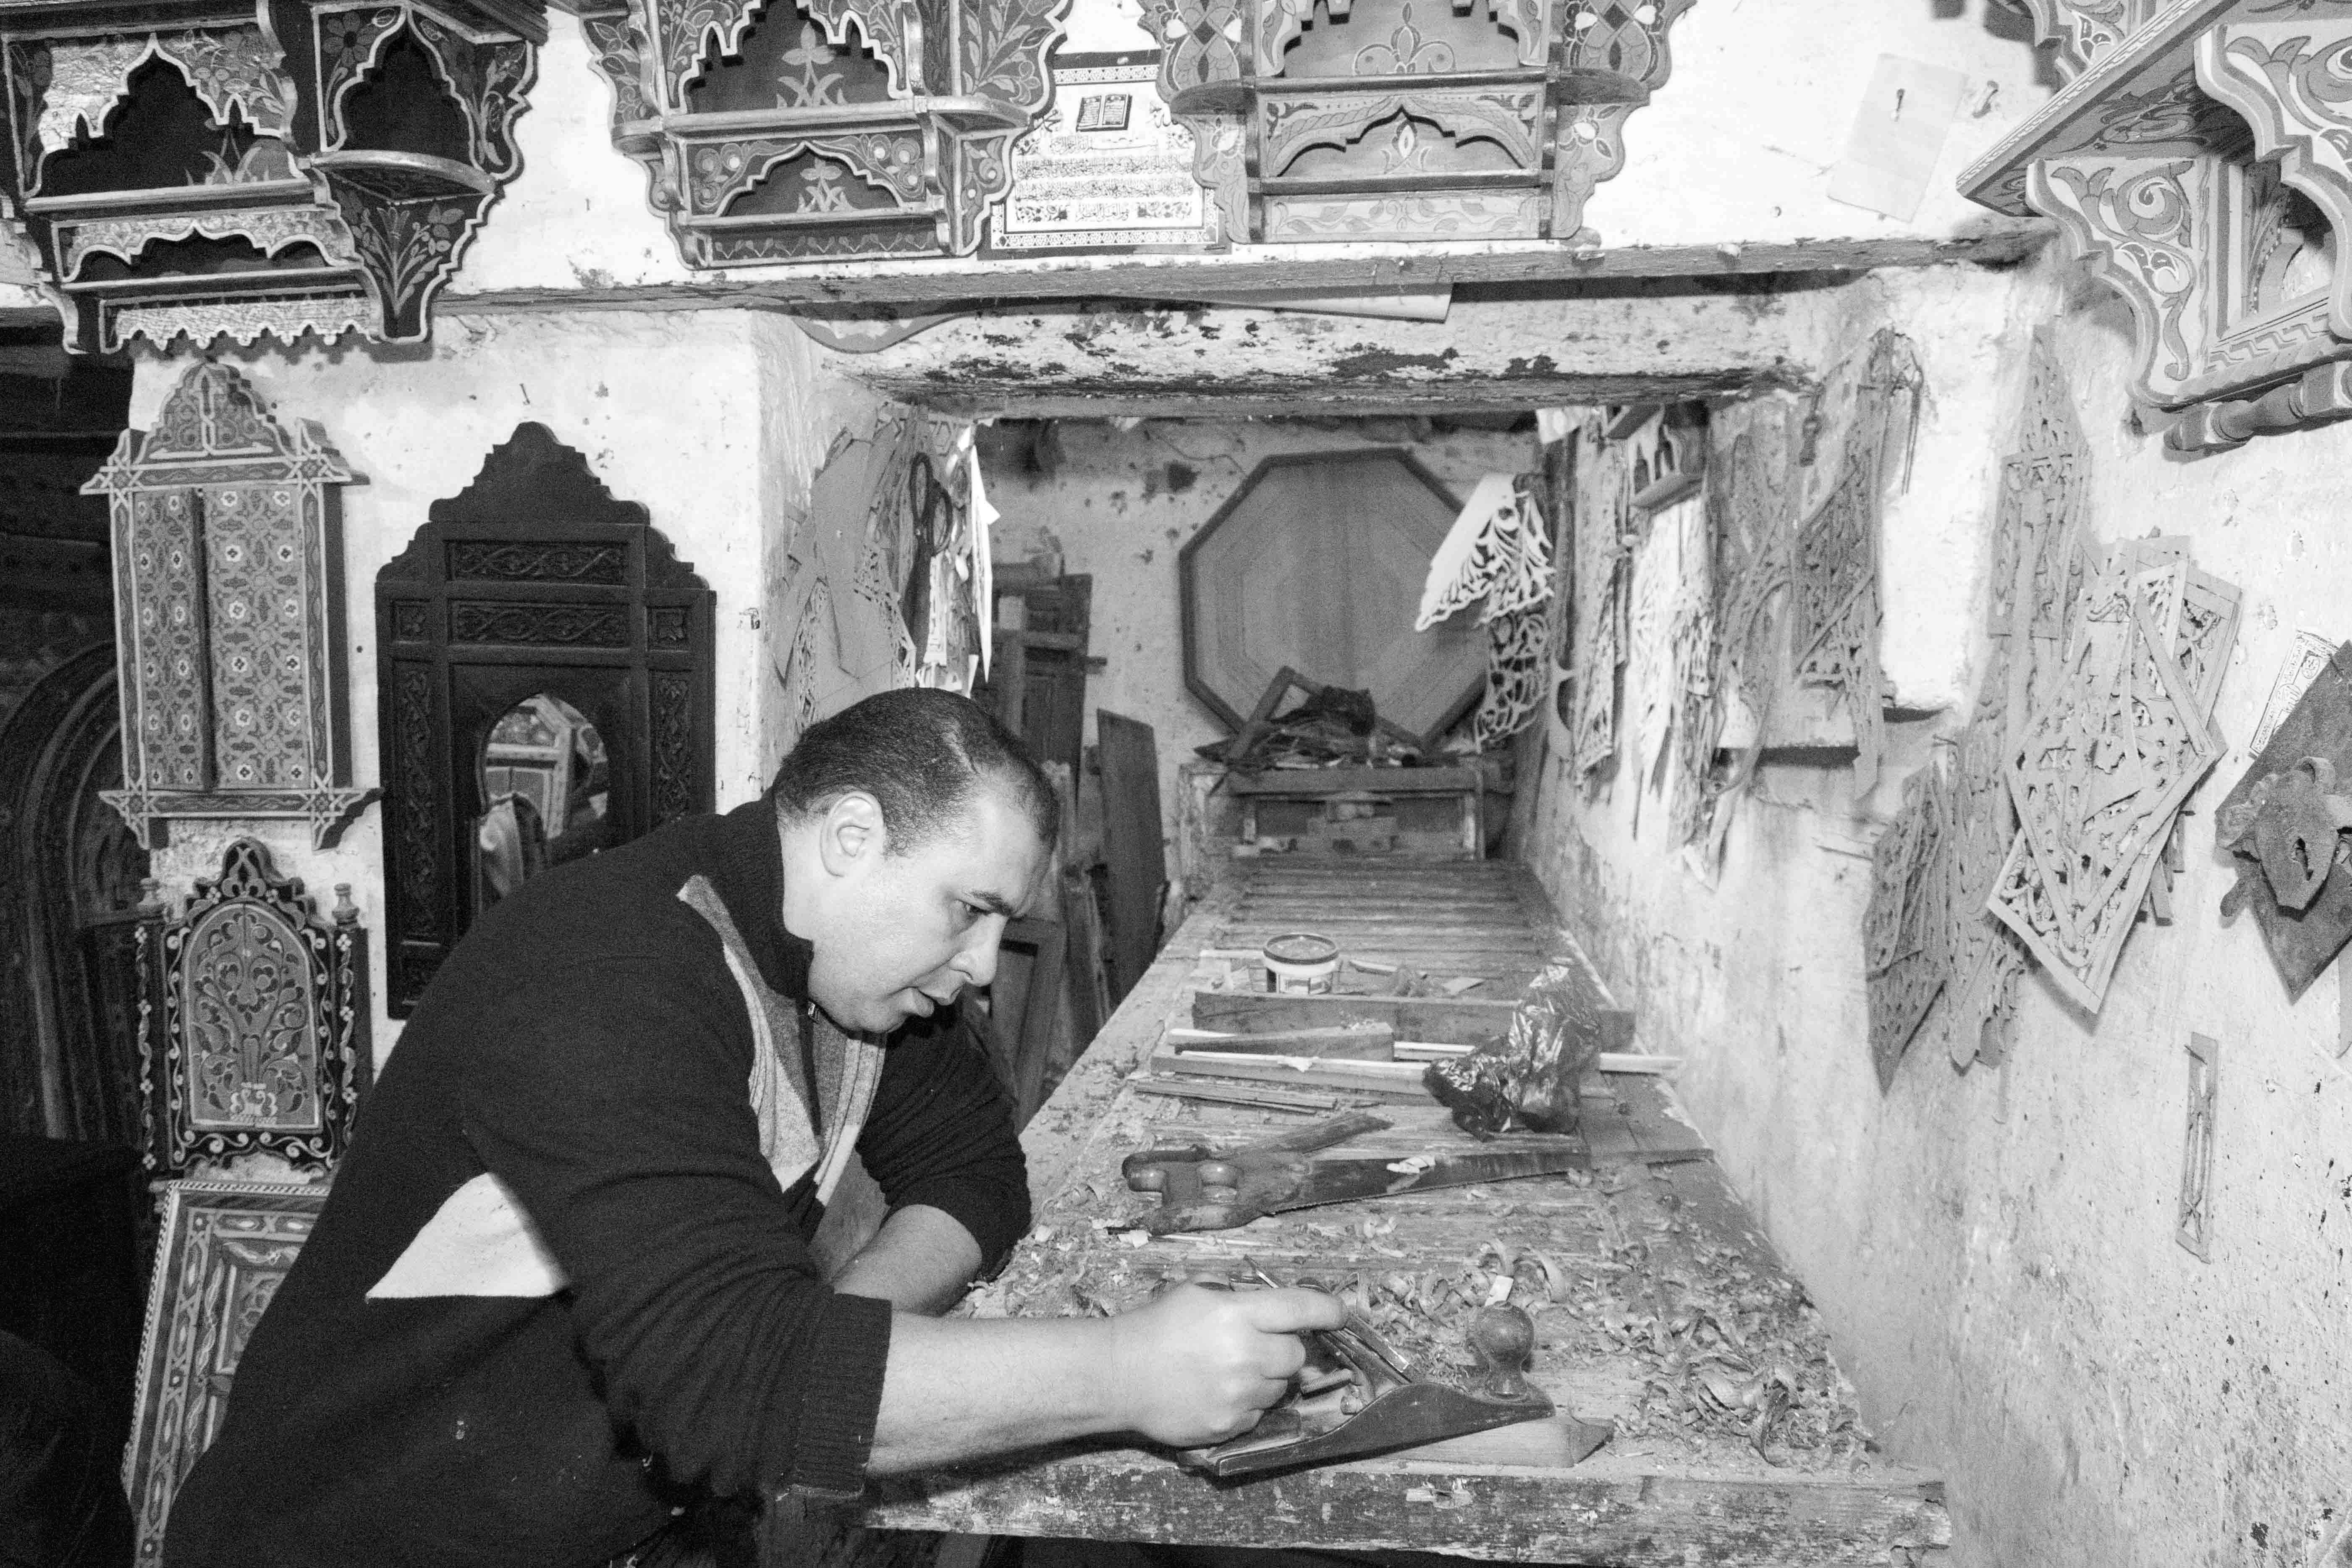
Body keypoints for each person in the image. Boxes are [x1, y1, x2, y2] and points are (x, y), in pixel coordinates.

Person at [164, 688, 1342, 1568]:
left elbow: (975, 1178)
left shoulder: (859, 980)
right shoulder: (607, 975)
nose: (983, 968)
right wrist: (1127, 1370)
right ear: (849, 839)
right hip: (364, 1532)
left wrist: (823, 1346)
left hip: (586, 1523)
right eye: (968, 910)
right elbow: (732, 1393)